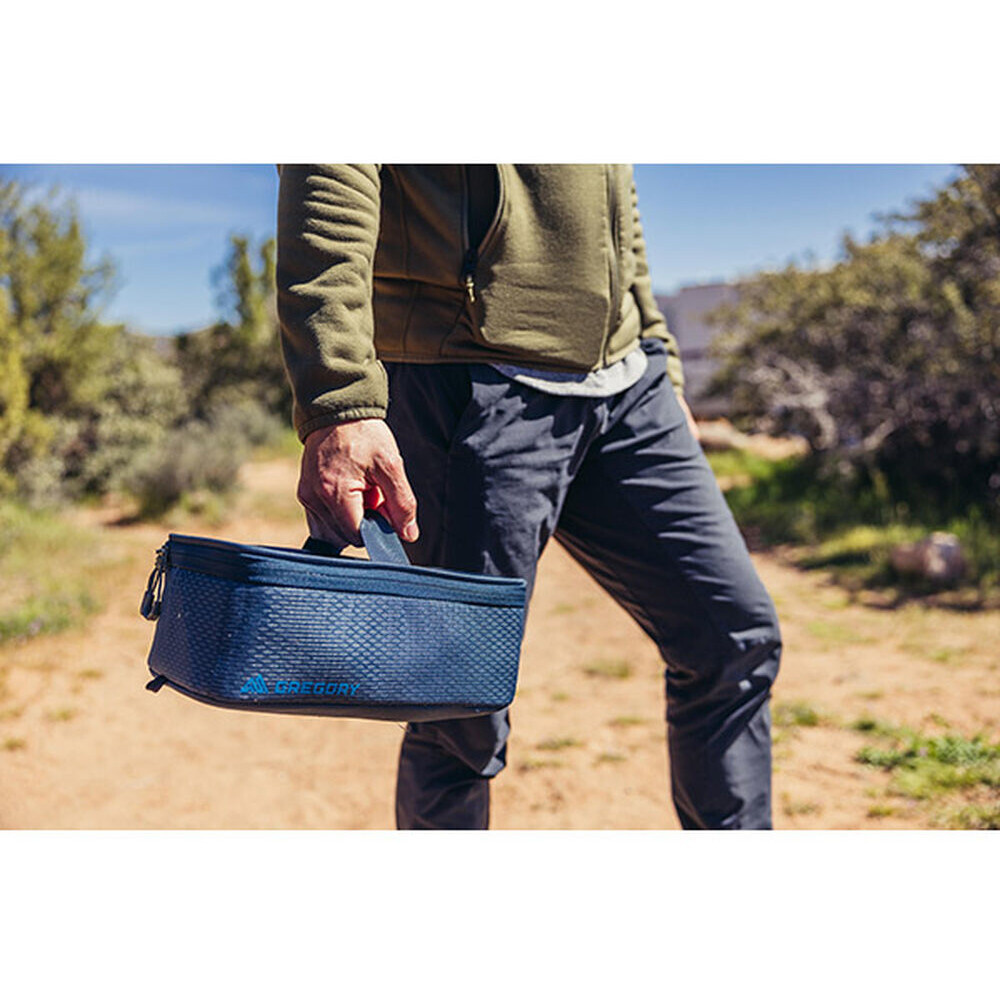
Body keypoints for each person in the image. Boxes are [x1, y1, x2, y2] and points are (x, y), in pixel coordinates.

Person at [275, 164, 782, 830]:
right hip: (470, 375)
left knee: (732, 637)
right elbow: (329, 168)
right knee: (459, 708)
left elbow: (617, 202)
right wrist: (339, 398)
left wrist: (658, 348)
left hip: (630, 381)